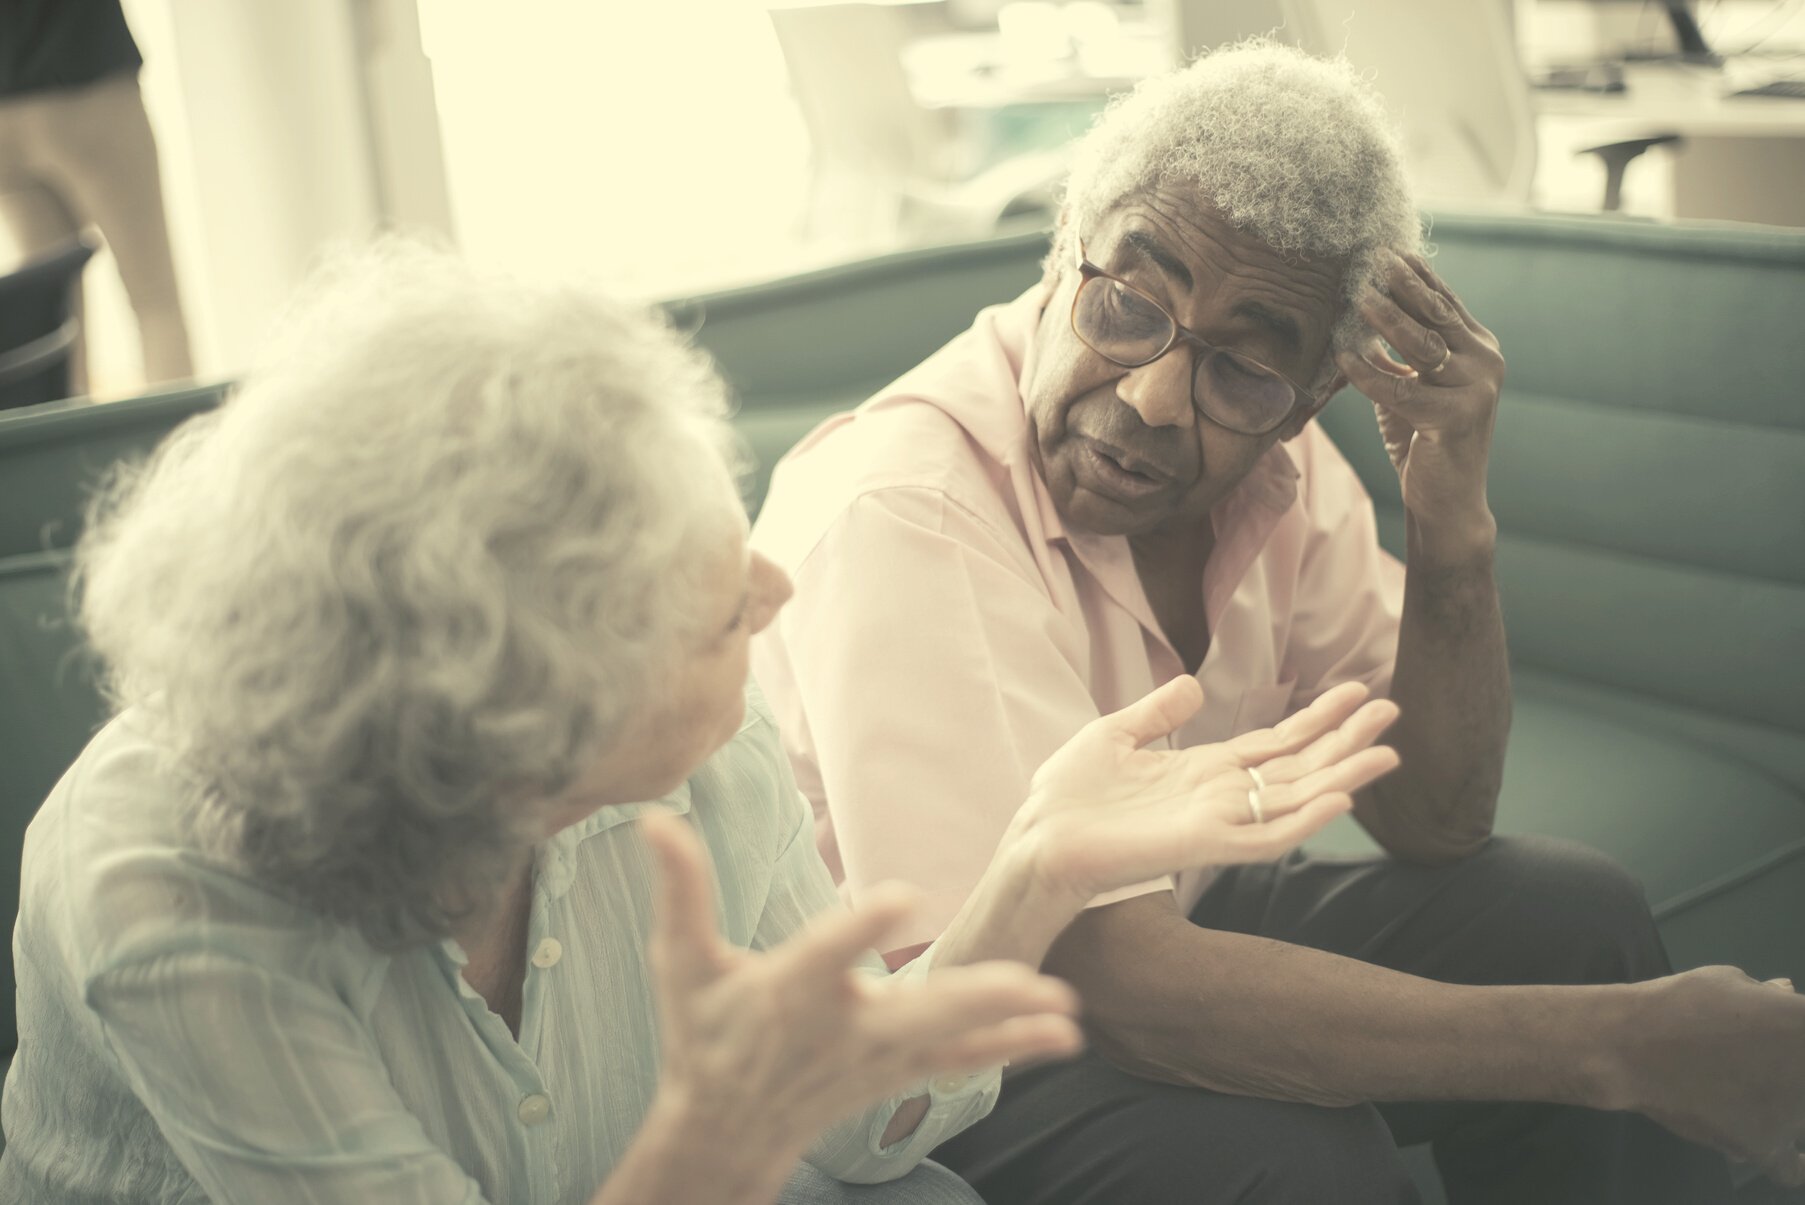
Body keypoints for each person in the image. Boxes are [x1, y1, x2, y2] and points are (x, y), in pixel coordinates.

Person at [0, 242, 1402, 1205]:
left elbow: (856, 1130)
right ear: (521, 725)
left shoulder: (696, 756)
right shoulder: (165, 891)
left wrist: (1035, 863)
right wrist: (718, 1143)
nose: (774, 585)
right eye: (707, 607)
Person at [749, 40, 1805, 1204]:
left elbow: (1433, 818)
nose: (1149, 396)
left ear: (1311, 399)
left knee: (1571, 917)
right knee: (1296, 1161)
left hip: (1142, 927)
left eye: (1241, 372)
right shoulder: (908, 509)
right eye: (1125, 305)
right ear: (1061, 259)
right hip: (914, 1054)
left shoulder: (1273, 471)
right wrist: (1616, 1047)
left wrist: (1450, 526)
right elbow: (1112, 981)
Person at [0, 0, 194, 386]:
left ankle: (68, 449)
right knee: (157, 308)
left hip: (6, 111)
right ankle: (174, 444)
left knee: (58, 333)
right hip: (86, 73)